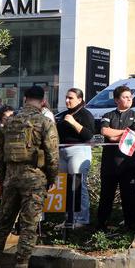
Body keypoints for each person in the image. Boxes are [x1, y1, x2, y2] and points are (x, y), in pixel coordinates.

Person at [0, 86, 59, 268]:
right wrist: (51, 178)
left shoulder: (9, 122)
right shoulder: (45, 122)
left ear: (24, 99)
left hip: (10, 179)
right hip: (34, 179)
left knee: (3, 224)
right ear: (43, 101)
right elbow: (52, 155)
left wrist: (2, 179)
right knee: (29, 226)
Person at [97, 86, 135, 232]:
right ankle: (100, 226)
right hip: (109, 165)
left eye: (130, 96)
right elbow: (105, 132)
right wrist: (126, 132)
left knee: (129, 197)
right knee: (106, 197)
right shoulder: (108, 114)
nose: (129, 99)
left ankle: (130, 226)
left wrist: (117, 135)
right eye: (125, 96)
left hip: (129, 164)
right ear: (117, 100)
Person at [55, 88, 94, 227]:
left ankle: (82, 219)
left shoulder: (85, 114)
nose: (67, 100)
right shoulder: (64, 114)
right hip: (63, 151)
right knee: (65, 186)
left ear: (79, 99)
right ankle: (68, 219)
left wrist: (73, 123)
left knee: (78, 185)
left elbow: (89, 135)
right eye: (66, 97)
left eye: (70, 98)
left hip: (78, 150)